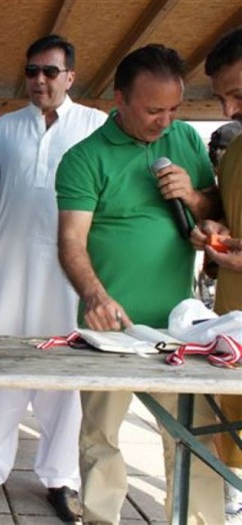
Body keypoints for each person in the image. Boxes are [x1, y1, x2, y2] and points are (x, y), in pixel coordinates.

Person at [56, 44, 223, 524]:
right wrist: (95, 295)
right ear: (120, 99)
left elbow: (213, 210)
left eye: (174, 109)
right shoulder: (84, 157)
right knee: (101, 440)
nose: (165, 121)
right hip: (110, 329)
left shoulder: (186, 139)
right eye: (153, 110)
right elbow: (70, 241)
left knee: (193, 437)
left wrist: (194, 200)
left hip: (181, 325)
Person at [0, 34, 105, 522]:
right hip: (5, 266)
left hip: (66, 274)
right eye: (32, 71)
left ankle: (60, 478)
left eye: (50, 71)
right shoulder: (4, 128)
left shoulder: (96, 125)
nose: (40, 80)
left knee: (63, 376)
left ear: (70, 76)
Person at [192, 28, 242, 525]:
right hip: (233, 325)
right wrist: (215, 230)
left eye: (238, 95)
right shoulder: (236, 151)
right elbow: (229, 218)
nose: (229, 110)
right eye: (221, 98)